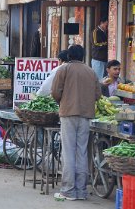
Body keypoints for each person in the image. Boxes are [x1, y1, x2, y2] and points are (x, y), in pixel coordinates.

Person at [51, 45, 101, 201]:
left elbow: (55, 92)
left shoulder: (63, 70)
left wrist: (64, 102)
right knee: (82, 152)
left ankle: (68, 190)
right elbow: (98, 95)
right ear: (83, 56)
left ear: (69, 56)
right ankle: (81, 191)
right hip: (86, 115)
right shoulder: (91, 72)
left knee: (68, 152)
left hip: (68, 113)